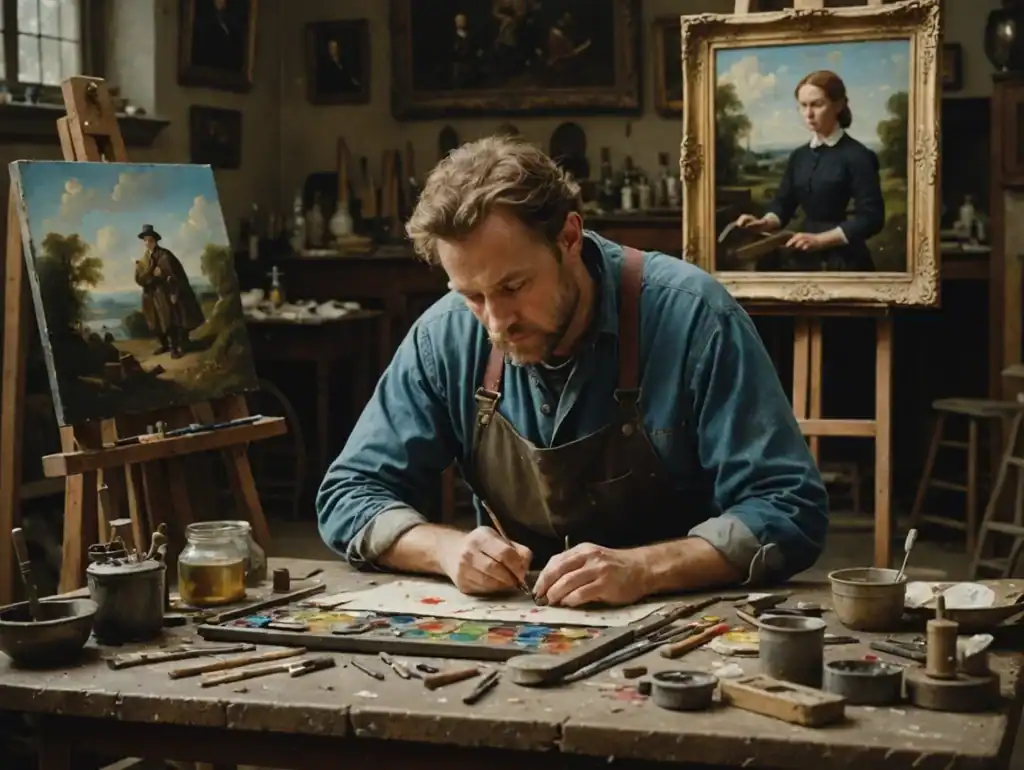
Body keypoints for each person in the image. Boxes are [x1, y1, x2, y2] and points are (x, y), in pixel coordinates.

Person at [316, 136, 828, 608]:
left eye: (513, 287)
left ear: (569, 236)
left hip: (683, 622)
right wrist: (445, 550)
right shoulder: (445, 335)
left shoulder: (694, 317)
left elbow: (787, 507)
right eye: (472, 295)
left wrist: (645, 569)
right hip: (521, 623)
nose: (496, 322)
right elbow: (349, 493)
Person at [734, 70, 885, 272]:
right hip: (803, 254)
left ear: (838, 105)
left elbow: (872, 218)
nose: (808, 114)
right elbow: (784, 203)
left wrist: (821, 240)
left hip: (843, 259)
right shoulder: (799, 156)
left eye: (817, 104)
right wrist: (764, 223)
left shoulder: (858, 156)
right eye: (803, 105)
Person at [134, 225, 205, 360]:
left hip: (165, 293)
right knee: (155, 322)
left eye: (150, 240)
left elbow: (173, 275)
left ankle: (175, 348)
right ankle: (164, 345)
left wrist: (172, 290)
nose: (147, 243)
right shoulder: (143, 260)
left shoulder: (165, 255)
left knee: (169, 320)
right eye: (145, 240)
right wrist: (150, 273)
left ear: (155, 240)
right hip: (150, 296)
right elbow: (139, 279)